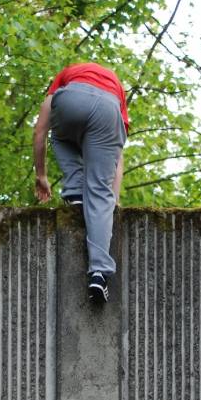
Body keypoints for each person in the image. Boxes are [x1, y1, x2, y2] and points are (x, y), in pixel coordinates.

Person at [33, 61, 129, 303]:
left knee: (59, 135)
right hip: (109, 109)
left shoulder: (65, 78)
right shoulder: (116, 89)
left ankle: (75, 190)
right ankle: (98, 273)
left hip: (69, 101)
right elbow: (116, 157)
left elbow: (40, 132)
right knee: (99, 192)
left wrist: (41, 175)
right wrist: (112, 201)